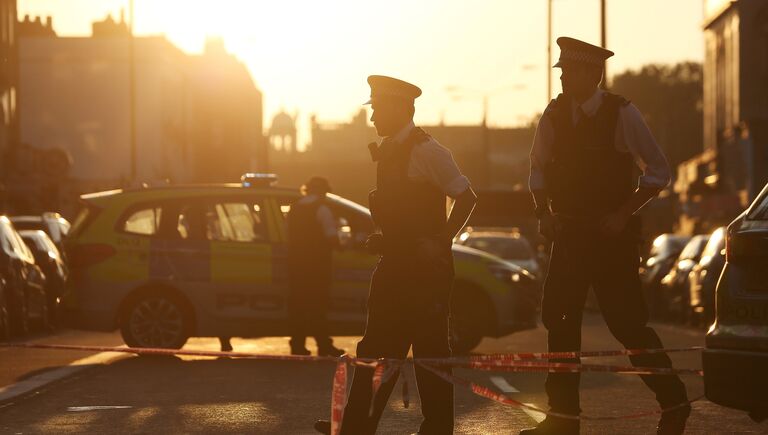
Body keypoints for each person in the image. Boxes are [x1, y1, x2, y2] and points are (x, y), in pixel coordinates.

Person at [520, 37, 690, 435]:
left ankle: (674, 400)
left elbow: (659, 172)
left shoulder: (621, 113)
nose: (562, 79)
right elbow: (537, 168)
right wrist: (542, 213)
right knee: (559, 322)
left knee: (627, 324)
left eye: (569, 72)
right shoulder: (555, 114)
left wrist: (622, 214)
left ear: (591, 73)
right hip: (570, 235)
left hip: (611, 237)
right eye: (560, 72)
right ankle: (562, 420)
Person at [314, 75, 477, 434]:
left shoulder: (428, 151)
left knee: (430, 352)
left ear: (401, 109)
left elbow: (466, 197)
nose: (372, 117)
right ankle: (355, 425)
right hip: (394, 265)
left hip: (426, 272)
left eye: (378, 109)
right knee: (375, 348)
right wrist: (382, 239)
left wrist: (442, 240)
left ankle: (437, 428)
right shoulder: (390, 151)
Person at [287, 176, 345, 357]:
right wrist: (342, 247)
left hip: (296, 265)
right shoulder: (322, 209)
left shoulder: (294, 208)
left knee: (299, 305)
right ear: (323, 191)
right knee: (318, 305)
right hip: (318, 266)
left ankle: (297, 345)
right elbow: (331, 237)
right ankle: (324, 345)